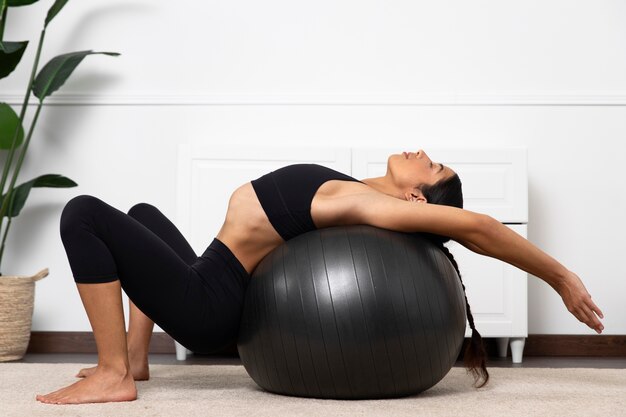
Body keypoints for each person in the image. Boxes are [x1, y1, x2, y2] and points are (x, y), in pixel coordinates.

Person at [35, 149, 604, 405]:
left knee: (82, 214)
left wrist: (561, 277)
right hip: (210, 272)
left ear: (415, 196)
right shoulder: (358, 191)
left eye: (432, 167)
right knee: (141, 217)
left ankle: (114, 375)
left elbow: (475, 226)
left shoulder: (368, 206)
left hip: (211, 303)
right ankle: (135, 357)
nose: (423, 152)